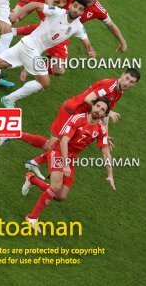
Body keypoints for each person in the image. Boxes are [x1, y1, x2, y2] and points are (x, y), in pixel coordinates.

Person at [0, 0, 95, 107]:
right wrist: (17, 15)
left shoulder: (78, 27)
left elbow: (86, 41)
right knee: (45, 82)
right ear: (71, 6)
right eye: (75, 6)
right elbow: (35, 3)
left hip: (27, 46)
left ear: (83, 12)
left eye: (80, 9)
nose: (76, 10)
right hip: (31, 48)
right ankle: (9, 99)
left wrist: (90, 51)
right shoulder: (57, 12)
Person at [0, 68, 141, 178]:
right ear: (122, 75)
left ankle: (32, 158)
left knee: (54, 145)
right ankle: (17, 140)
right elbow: (88, 99)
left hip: (77, 115)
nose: (127, 83)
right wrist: (109, 113)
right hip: (72, 112)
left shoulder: (118, 93)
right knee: (54, 145)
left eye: (131, 82)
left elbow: (103, 115)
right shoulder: (110, 86)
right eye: (127, 78)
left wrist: (105, 135)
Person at [22, 97, 115, 231]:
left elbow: (106, 152)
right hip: (59, 151)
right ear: (92, 106)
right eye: (98, 106)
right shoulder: (78, 119)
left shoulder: (101, 129)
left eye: (102, 110)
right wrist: (65, 165)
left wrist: (110, 175)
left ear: (105, 115)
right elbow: (64, 141)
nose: (99, 110)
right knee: (55, 186)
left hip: (72, 158)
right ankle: (32, 217)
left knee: (61, 196)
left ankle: (32, 179)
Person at [13, 0, 127, 80]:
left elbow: (111, 25)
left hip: (64, 34)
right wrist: (49, 16)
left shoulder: (99, 10)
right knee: (39, 39)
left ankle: (33, 66)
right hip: (54, 22)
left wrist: (122, 42)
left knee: (59, 70)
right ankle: (13, 34)